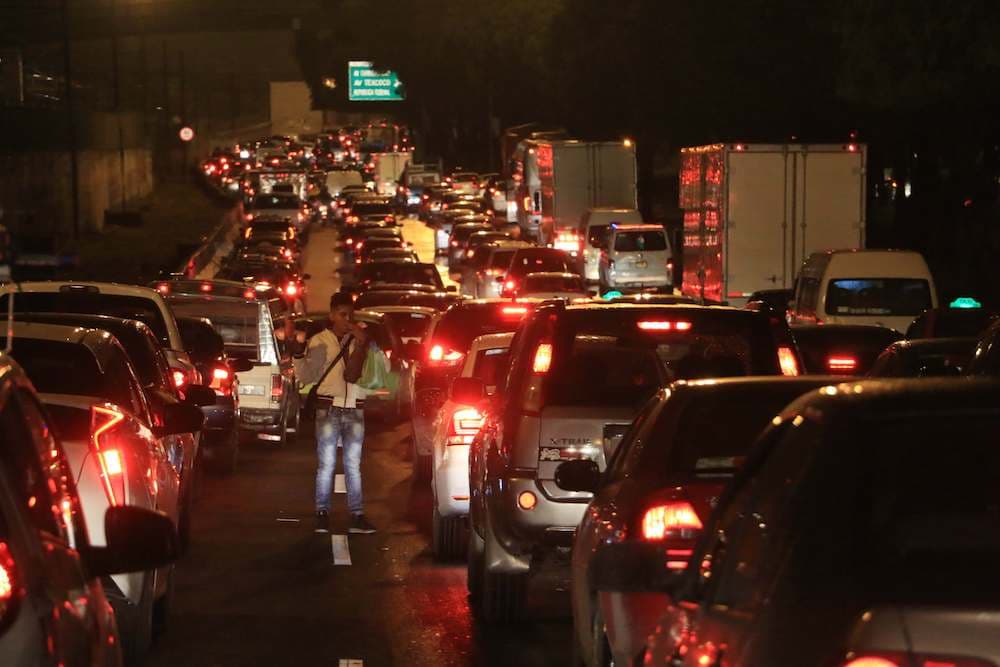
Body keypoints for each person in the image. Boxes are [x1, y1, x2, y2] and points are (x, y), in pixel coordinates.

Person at [298, 291, 376, 534]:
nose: (347, 320)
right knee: (327, 464)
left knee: (353, 465)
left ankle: (357, 515)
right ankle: (322, 512)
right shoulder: (321, 341)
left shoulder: (359, 341)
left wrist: (362, 345)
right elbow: (306, 376)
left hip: (354, 408)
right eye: (342, 315)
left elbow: (354, 375)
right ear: (332, 315)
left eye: (350, 315)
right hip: (328, 406)